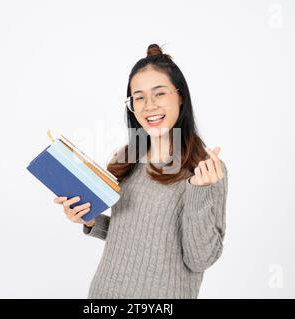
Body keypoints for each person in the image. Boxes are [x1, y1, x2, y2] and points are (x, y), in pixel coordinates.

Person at [53, 43, 228, 299]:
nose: (149, 106)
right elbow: (134, 234)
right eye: (139, 97)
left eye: (159, 94)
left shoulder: (205, 169)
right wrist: (90, 219)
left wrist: (199, 192)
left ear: (180, 96)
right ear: (131, 105)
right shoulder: (125, 158)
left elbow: (199, 259)